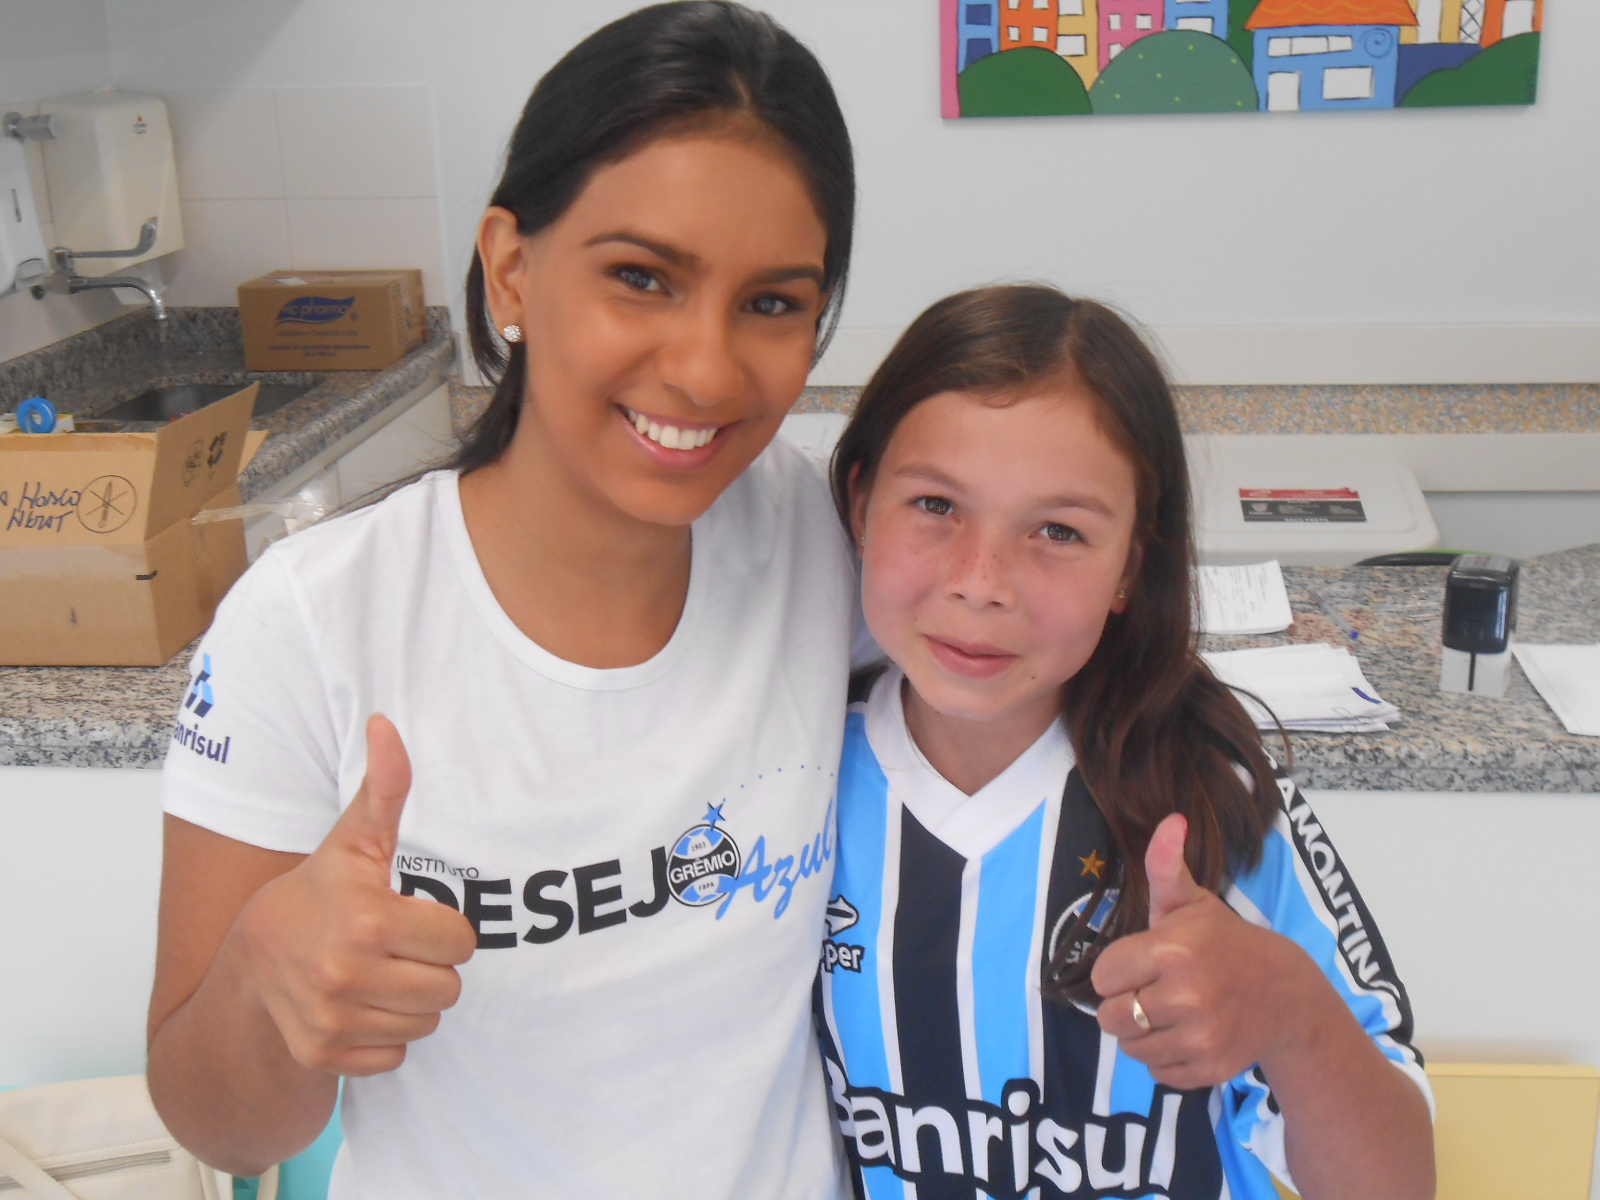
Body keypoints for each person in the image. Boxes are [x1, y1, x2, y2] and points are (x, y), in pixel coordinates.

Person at [146, 5, 859, 1197]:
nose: (705, 369)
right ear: (512, 264)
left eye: (773, 303)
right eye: (642, 277)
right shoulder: (313, 619)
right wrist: (270, 979)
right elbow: (222, 1127)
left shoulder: (825, 541)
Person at [815, 285, 1436, 1200]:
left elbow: (1398, 1184)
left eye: (1059, 531)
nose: (983, 583)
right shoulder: (792, 783)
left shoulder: (1214, 800)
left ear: (1128, 569)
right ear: (862, 503)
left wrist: (1291, 1013)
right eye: (937, 505)